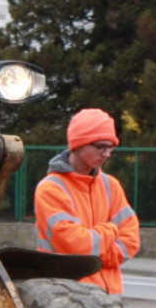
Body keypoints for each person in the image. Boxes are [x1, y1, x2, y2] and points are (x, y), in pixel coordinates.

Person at [34, 108, 140, 294]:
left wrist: (95, 254)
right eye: (100, 146)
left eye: (111, 147)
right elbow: (79, 246)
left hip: (111, 298)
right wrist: (110, 229)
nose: (106, 153)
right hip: (65, 296)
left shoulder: (111, 185)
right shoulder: (51, 189)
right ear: (78, 144)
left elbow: (130, 242)